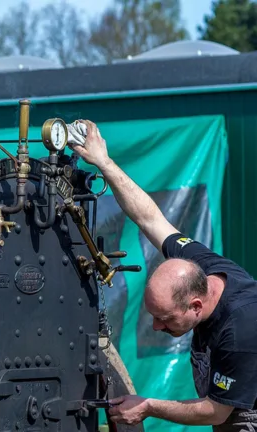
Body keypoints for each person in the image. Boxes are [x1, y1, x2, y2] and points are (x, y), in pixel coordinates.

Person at [68, 120, 257, 430]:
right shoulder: (200, 266)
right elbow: (150, 218)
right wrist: (103, 162)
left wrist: (148, 406)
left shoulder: (242, 327)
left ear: (196, 306)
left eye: (165, 318)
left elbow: (215, 411)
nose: (157, 326)